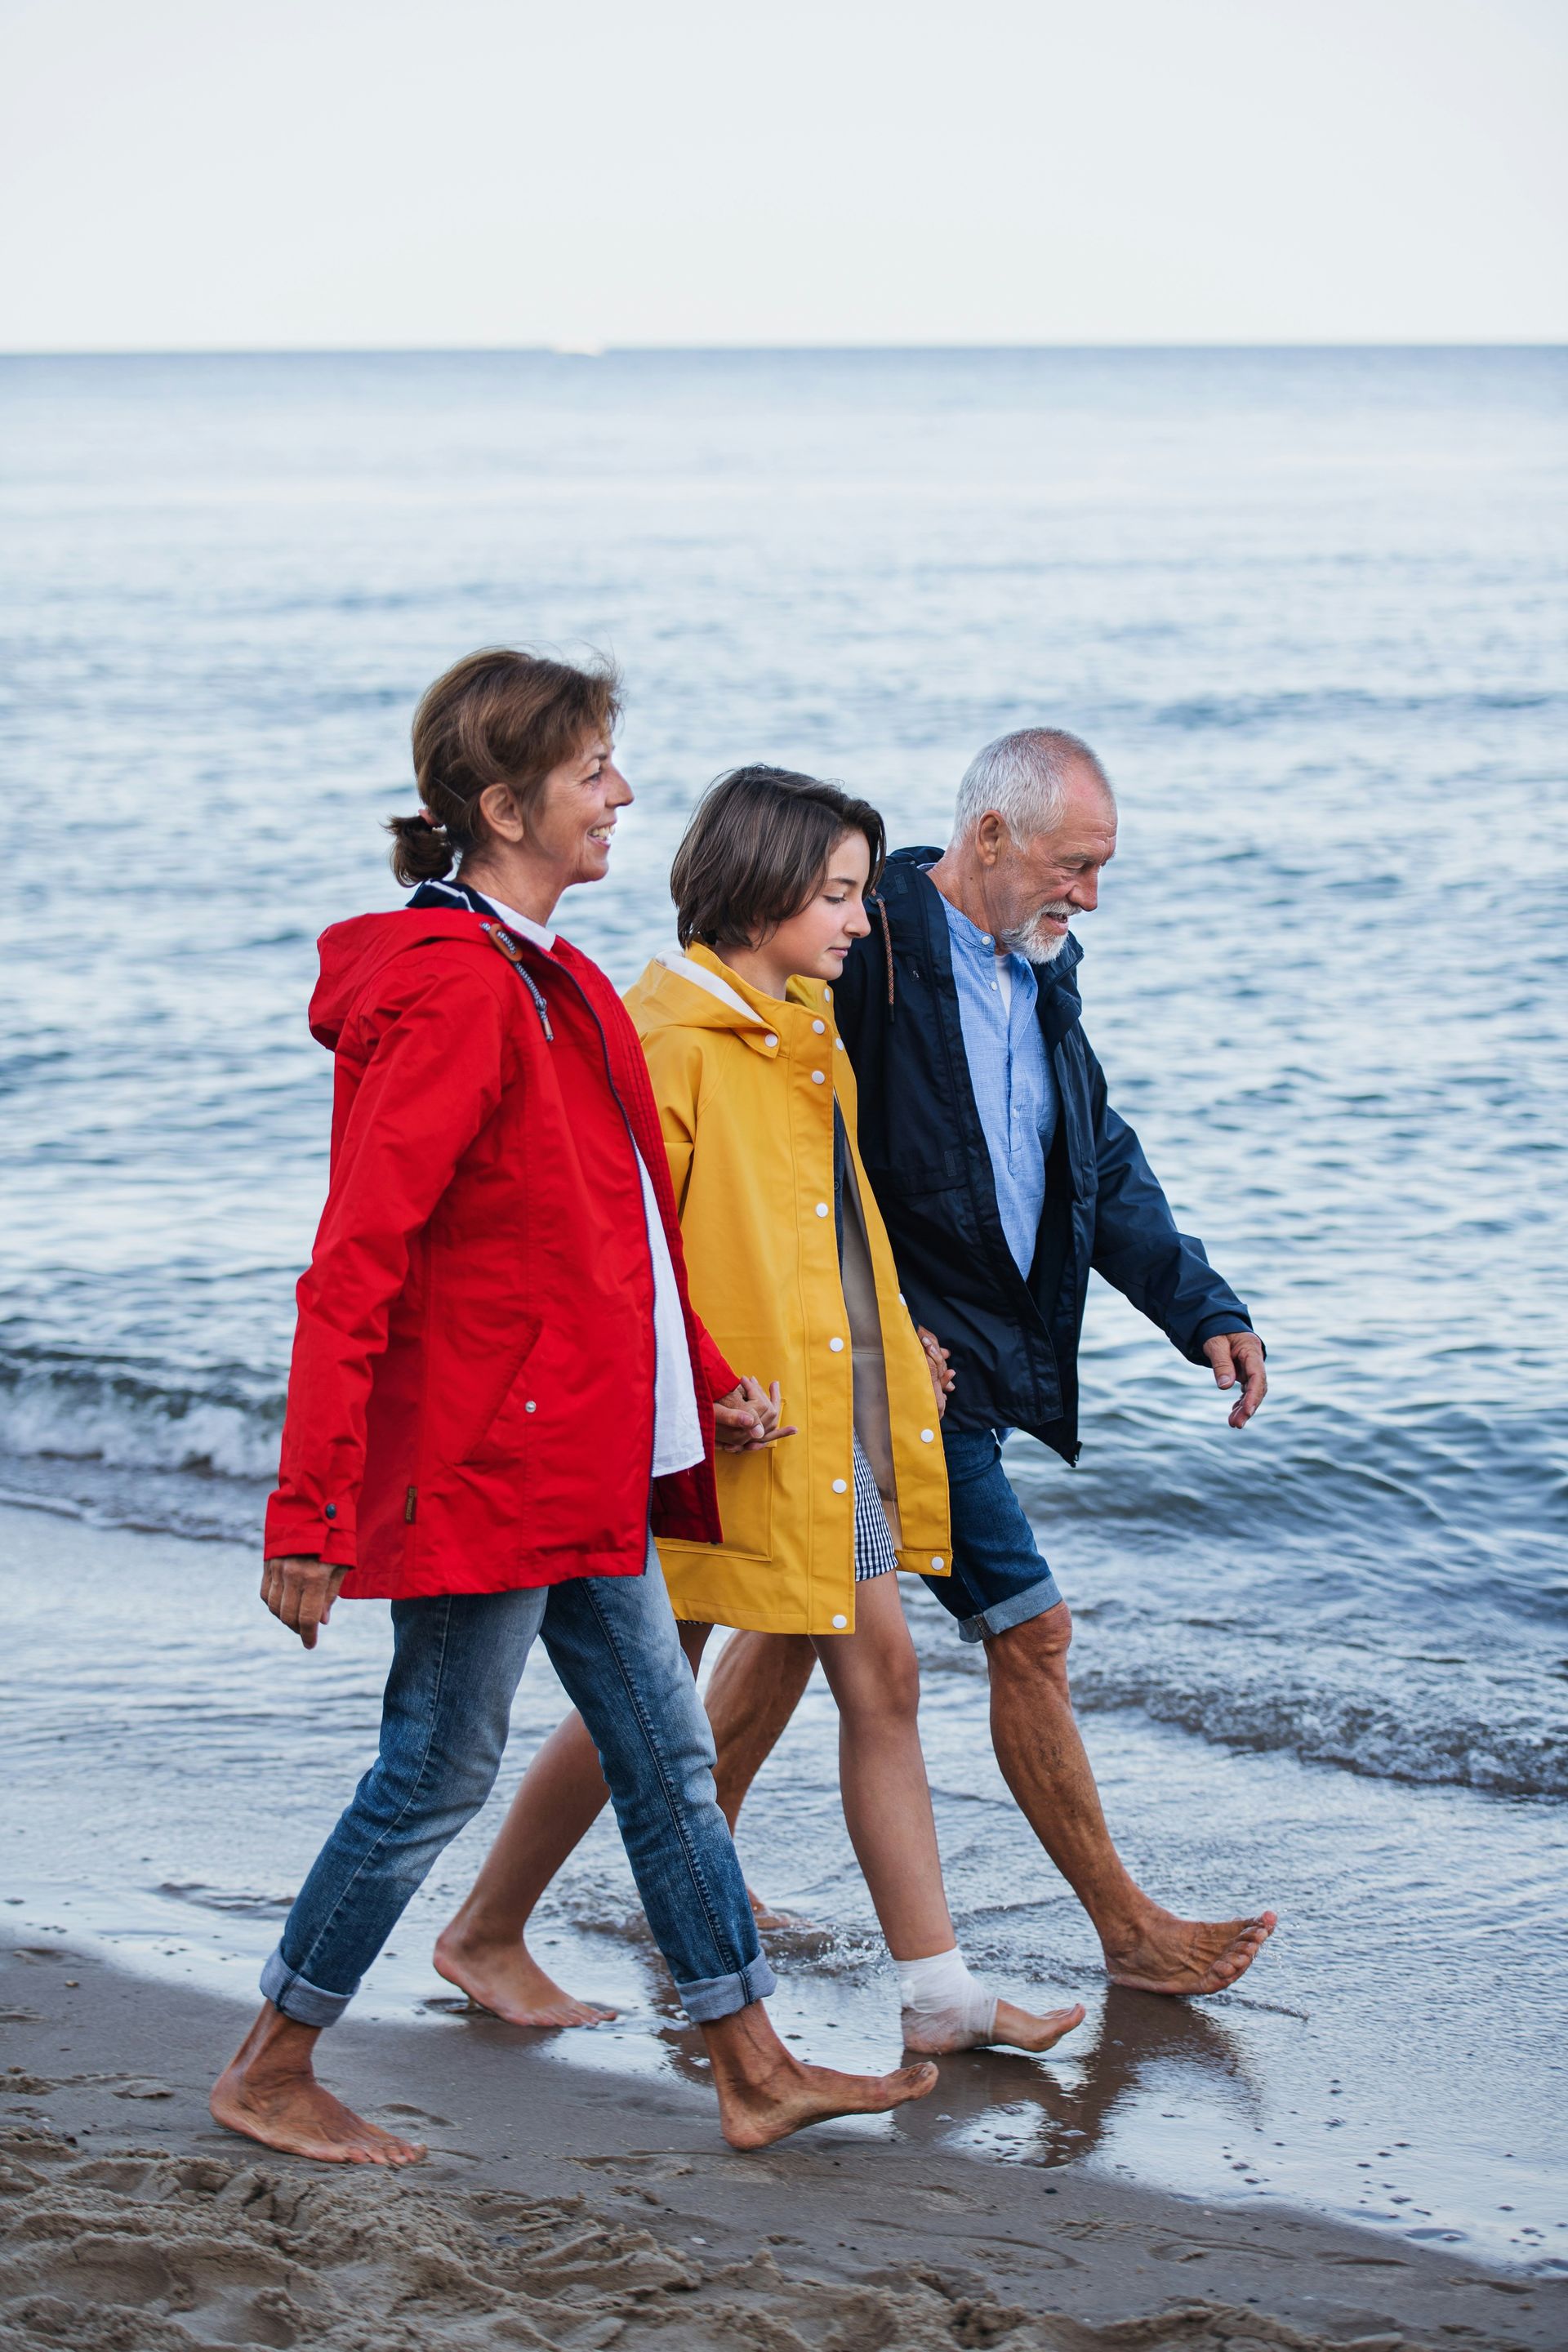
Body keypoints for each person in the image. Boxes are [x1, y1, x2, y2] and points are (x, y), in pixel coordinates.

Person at [209, 652, 938, 2166]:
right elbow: (356, 1261)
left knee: (666, 1758)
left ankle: (752, 2064)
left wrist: (706, 1380)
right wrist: (308, 1504)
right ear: (501, 805)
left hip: (589, 1456)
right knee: (436, 1769)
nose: (621, 796)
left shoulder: (566, 986)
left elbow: (626, 1233)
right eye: (594, 770)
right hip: (488, 1468)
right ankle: (273, 2064)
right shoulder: (460, 991)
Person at [435, 767, 1087, 2058]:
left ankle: (939, 1993)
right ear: (766, 890)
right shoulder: (662, 1039)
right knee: (653, 1685)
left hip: (829, 1421)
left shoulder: (807, 1026)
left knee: (881, 1676)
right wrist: (707, 1384)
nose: (861, 919)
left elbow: (838, 1222)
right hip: (711, 1431)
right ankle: (487, 1928)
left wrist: (901, 1343)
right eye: (840, 896)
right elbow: (623, 1252)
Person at [623, 729, 1278, 1999]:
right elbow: (790, 1152)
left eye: (1097, 869)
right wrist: (876, 1319)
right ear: (989, 840)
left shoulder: (1041, 974)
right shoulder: (866, 959)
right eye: (1074, 865)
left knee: (797, 1622)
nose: (1087, 895)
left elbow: (1095, 1159)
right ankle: (1125, 1932)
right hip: (890, 1373)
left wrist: (1199, 1304)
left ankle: (689, 1884)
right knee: (1026, 1632)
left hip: (948, 1364)